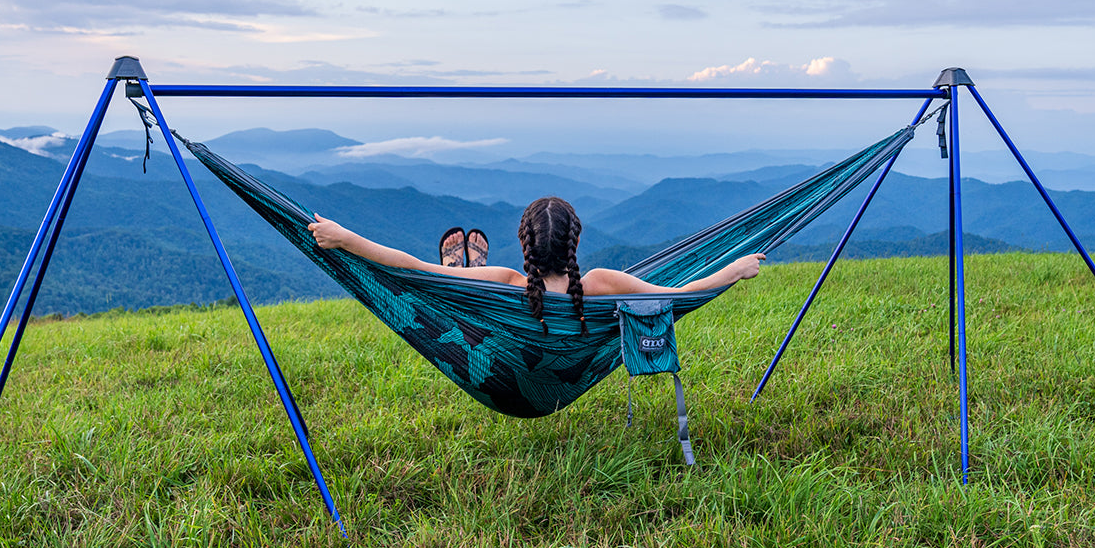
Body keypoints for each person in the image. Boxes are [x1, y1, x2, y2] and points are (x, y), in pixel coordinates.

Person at [307, 196, 765, 334]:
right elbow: (677, 298)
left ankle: (463, 268)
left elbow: (413, 269)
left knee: (448, 283)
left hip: (512, 380)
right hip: (569, 377)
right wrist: (734, 271)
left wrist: (346, 238)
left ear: (524, 243)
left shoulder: (507, 282)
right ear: (576, 241)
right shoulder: (602, 284)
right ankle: (463, 267)